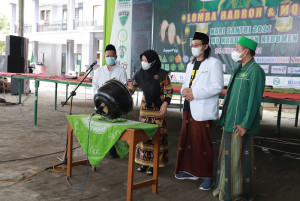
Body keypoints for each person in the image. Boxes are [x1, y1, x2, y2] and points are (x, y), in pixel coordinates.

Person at [213, 36, 266, 201]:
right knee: (226, 160)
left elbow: (254, 100)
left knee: (237, 162)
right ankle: (224, 190)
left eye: (237, 49)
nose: (234, 52)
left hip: (240, 125)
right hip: (230, 122)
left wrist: (245, 124)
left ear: (246, 51)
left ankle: (238, 194)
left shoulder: (255, 71)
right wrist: (224, 120)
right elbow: (229, 97)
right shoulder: (238, 69)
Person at [174, 32, 224, 190]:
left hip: (202, 108)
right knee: (188, 141)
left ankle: (208, 176)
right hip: (189, 107)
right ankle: (192, 171)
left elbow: (217, 87)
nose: (193, 48)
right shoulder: (190, 64)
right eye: (192, 45)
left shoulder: (213, 63)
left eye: (197, 45)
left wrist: (195, 93)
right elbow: (185, 84)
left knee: (202, 143)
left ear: (205, 46)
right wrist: (184, 91)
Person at [128, 49, 173, 175]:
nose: (143, 63)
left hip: (158, 110)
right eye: (142, 60)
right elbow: (131, 89)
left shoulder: (162, 75)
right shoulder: (139, 75)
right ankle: (144, 162)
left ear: (153, 62)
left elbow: (169, 91)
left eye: (146, 60)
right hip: (145, 109)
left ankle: (154, 164)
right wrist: (123, 94)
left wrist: (165, 103)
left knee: (156, 137)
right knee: (143, 136)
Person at [92, 44, 127, 159]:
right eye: (107, 56)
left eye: (112, 56)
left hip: (115, 105)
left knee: (113, 128)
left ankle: (113, 151)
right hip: (101, 103)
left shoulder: (121, 71)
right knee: (101, 127)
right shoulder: (98, 71)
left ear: (116, 57)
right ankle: (101, 149)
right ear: (104, 56)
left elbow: (123, 87)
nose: (109, 58)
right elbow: (95, 87)